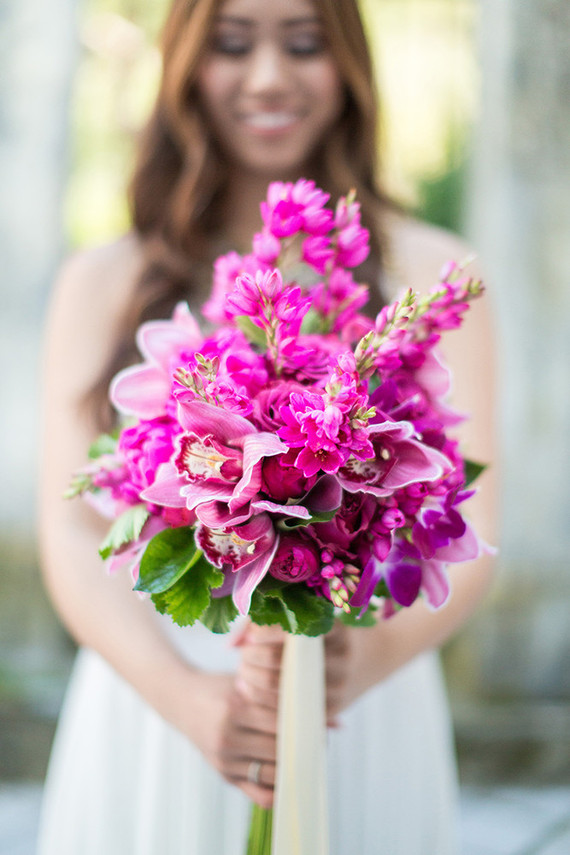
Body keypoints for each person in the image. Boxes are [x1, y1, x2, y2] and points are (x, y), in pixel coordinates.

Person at [37, 0, 497, 852]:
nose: (269, 78)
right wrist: (187, 698)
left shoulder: (430, 274)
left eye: (305, 42)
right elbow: (69, 531)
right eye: (233, 43)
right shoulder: (104, 277)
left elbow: (472, 529)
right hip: (156, 699)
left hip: (356, 693)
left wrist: (350, 668)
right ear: (185, 65)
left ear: (349, 63)